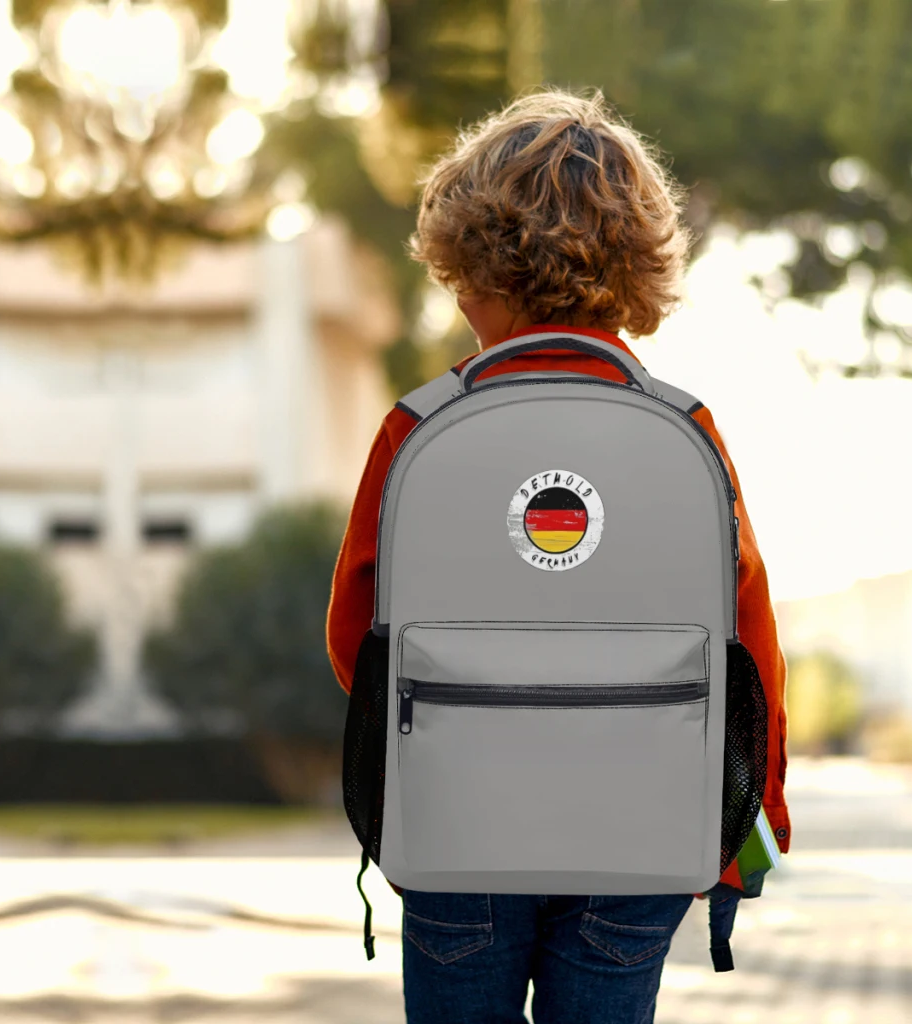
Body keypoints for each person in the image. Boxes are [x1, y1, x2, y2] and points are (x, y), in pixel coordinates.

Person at [327, 87, 790, 1024]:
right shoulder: (686, 429)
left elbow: (353, 640)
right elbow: (749, 641)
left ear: (470, 267)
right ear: (639, 267)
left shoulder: (419, 426)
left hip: (460, 830)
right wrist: (753, 818)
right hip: (641, 833)